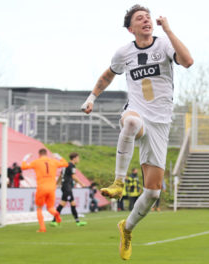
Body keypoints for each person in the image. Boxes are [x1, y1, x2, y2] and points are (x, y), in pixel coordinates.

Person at [80, 4, 193, 260]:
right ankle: (118, 182)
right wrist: (91, 98)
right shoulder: (124, 53)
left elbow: (187, 61)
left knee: (153, 192)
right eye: (140, 19)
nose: (146, 21)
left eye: (148, 17)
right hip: (137, 113)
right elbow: (108, 75)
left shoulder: (163, 45)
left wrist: (170, 30)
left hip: (160, 123)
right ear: (131, 29)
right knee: (129, 123)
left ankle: (127, 228)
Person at [21, 148, 68, 232]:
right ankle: (56, 214)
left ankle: (42, 228)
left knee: (39, 208)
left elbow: (23, 167)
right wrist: (59, 156)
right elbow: (65, 164)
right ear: (47, 154)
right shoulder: (53, 161)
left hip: (41, 188)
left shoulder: (36, 162)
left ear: (39, 155)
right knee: (50, 207)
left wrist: (25, 158)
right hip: (52, 188)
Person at [51, 152, 87, 227]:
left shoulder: (66, 165)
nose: (78, 159)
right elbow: (73, 176)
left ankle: (77, 221)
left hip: (64, 186)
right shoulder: (71, 165)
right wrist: (81, 183)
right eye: (78, 158)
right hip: (67, 187)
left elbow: (61, 175)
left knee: (72, 203)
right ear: (74, 158)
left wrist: (57, 184)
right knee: (62, 203)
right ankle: (54, 221)